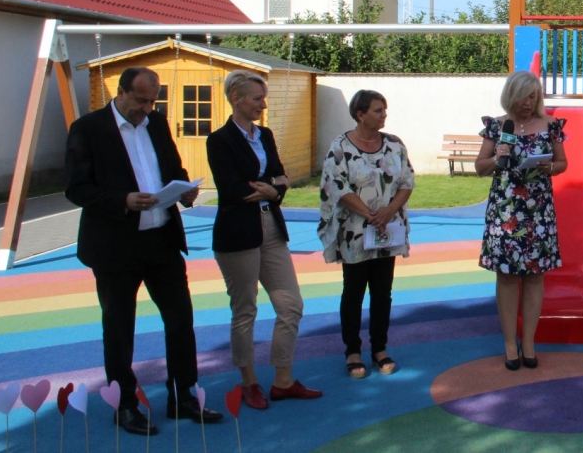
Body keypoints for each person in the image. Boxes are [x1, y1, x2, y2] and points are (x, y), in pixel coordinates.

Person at [65, 66, 222, 436]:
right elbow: (76, 188)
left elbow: (172, 168)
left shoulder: (157, 122)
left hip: (162, 240)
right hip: (116, 247)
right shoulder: (88, 129)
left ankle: (182, 396)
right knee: (120, 329)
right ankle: (125, 405)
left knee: (180, 321)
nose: (147, 108)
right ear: (120, 92)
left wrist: (185, 190)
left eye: (153, 101)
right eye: (141, 101)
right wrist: (123, 200)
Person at [206, 70, 322, 410]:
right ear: (236, 98)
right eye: (258, 99)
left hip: (271, 226)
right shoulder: (219, 140)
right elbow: (231, 190)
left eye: (264, 98)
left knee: (291, 305)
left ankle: (283, 380)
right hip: (237, 232)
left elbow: (282, 178)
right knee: (245, 310)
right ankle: (249, 382)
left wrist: (272, 190)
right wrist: (272, 188)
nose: (263, 105)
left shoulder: (266, 135)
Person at [474, 70, 567, 370]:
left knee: (535, 275)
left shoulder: (551, 126)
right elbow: (480, 167)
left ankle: (528, 342)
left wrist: (550, 167)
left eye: (533, 97)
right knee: (507, 276)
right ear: (510, 95)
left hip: (538, 211)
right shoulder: (497, 126)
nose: (528, 103)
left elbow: (563, 163)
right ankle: (509, 343)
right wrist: (497, 156)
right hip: (505, 211)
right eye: (523, 97)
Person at [319, 90, 415, 379]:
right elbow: (337, 186)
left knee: (383, 292)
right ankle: (352, 350)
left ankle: (379, 348)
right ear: (360, 114)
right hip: (355, 232)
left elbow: (407, 181)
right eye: (377, 110)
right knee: (354, 292)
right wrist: (370, 214)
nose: (384, 115)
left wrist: (388, 212)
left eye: (384, 109)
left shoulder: (395, 145)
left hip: (387, 230)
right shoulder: (340, 146)